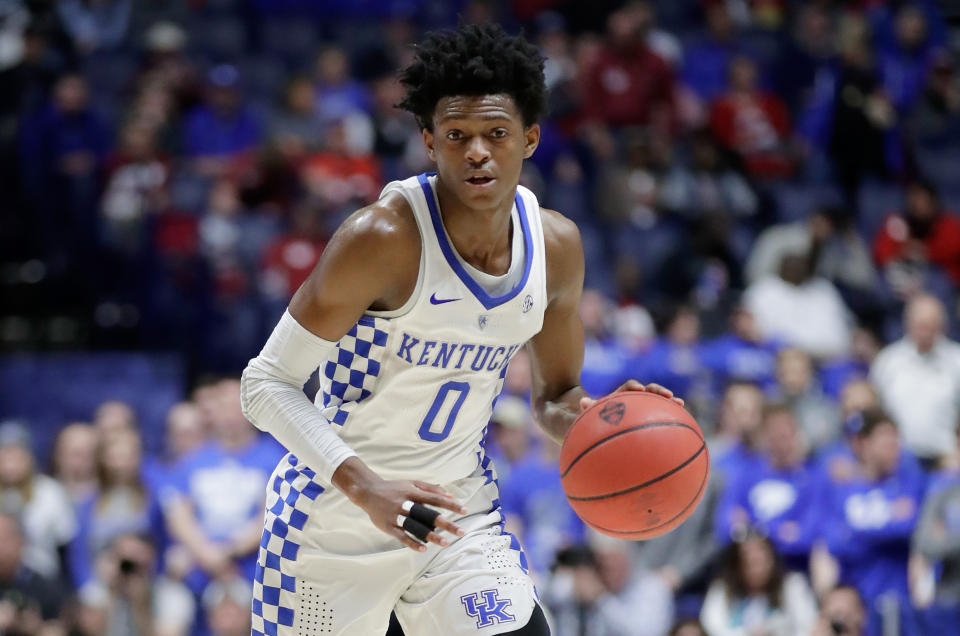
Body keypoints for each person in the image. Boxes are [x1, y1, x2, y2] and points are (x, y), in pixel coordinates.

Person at [240, 23, 680, 636]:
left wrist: (606, 419)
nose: (477, 152)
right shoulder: (383, 238)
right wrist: (368, 490)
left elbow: (554, 399)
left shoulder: (556, 246)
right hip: (332, 524)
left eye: (496, 134)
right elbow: (264, 385)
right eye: (457, 136)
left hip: (455, 517)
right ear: (429, 142)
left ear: (529, 139)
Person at [815, 409, 926, 635]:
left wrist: (857, 531)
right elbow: (834, 542)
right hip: (855, 604)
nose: (894, 449)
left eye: (895, 442)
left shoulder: (911, 482)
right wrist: (887, 525)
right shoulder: (843, 489)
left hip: (898, 602)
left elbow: (910, 529)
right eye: (885, 443)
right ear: (864, 444)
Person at [714, 404, 818, 571]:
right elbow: (725, 529)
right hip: (746, 569)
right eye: (775, 435)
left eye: (785, 434)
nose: (781, 443)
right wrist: (779, 530)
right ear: (765, 436)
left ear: (796, 434)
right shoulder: (747, 475)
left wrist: (752, 524)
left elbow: (805, 538)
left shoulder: (812, 478)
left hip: (792, 571)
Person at [870, 293, 960, 467]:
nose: (926, 331)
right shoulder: (888, 361)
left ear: (943, 326)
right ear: (908, 323)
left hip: (945, 459)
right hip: (898, 460)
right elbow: (876, 412)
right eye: (921, 325)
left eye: (932, 325)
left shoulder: (957, 360)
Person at [77, 532, 195, 636]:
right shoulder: (99, 590)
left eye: (139, 562)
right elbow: (87, 630)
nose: (131, 568)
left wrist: (141, 605)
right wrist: (111, 593)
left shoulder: (172, 595)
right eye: (125, 561)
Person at [0, 420, 76, 579]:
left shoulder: (50, 491)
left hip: (43, 577)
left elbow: (65, 546)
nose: (11, 462)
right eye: (5, 453)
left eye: (17, 453)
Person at [699, 534, 817, 636]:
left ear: (772, 560)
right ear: (737, 564)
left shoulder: (793, 585)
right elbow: (711, 630)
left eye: (762, 561)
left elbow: (808, 627)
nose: (757, 570)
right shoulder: (722, 589)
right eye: (749, 562)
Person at [0, 513, 66, 635]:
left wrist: (35, 628)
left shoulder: (42, 587)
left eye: (4, 540)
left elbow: (59, 628)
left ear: (21, 542)